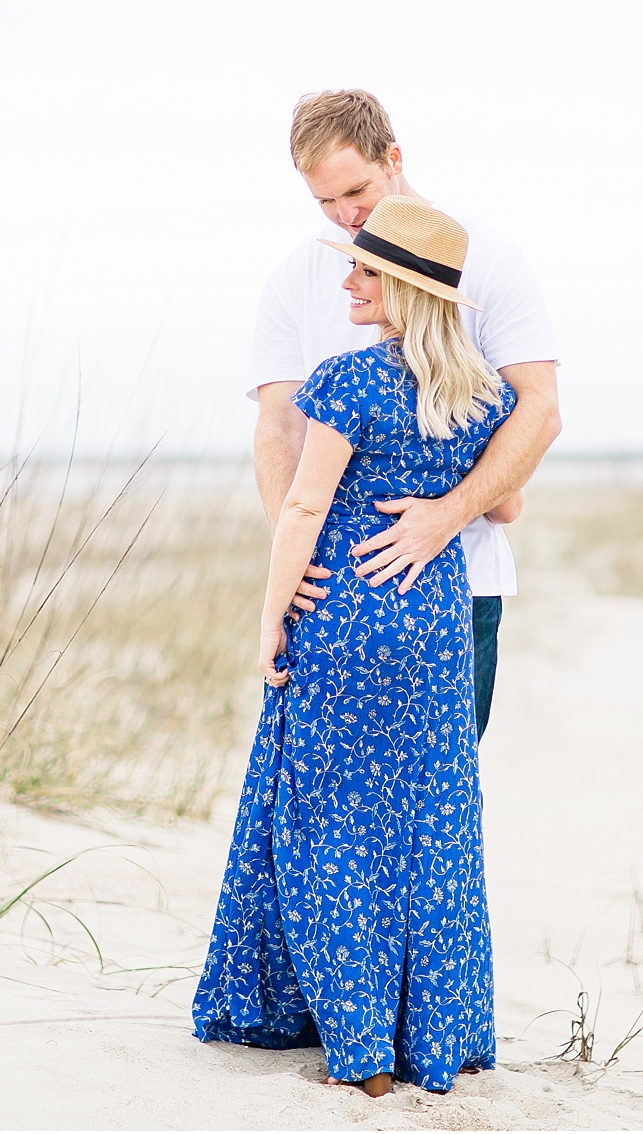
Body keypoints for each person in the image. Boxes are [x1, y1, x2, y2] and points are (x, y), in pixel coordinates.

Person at [193, 196, 515, 1095]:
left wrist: (270, 614)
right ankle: (443, 1041)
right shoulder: (484, 392)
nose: (348, 280)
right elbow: (507, 505)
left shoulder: (347, 380)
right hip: (435, 619)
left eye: (366, 270)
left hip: (346, 616)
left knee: (333, 825)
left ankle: (365, 1055)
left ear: (405, 290)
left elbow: (302, 502)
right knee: (435, 824)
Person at [248, 89, 560, 736]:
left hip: (461, 578)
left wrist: (447, 515)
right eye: (324, 201)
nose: (345, 214)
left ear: (393, 157)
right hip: (332, 587)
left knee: (441, 781)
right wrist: (294, 555)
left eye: (355, 191)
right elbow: (279, 426)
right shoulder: (298, 275)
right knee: (334, 787)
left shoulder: (491, 258)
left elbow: (539, 410)